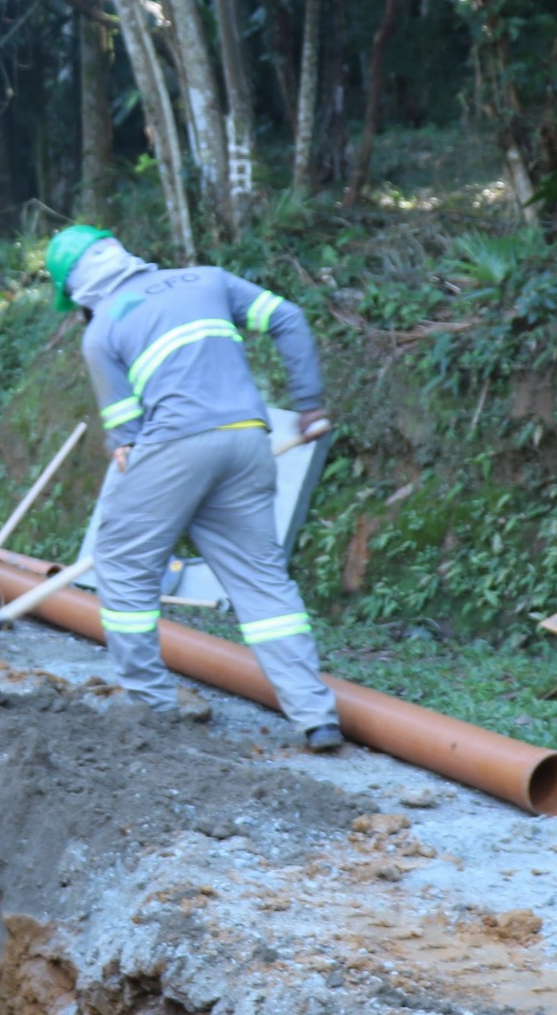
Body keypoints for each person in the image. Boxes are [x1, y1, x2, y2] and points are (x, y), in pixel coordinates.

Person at [47, 225, 344, 752]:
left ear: (79, 290)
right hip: (249, 439)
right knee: (261, 580)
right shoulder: (208, 279)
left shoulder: (99, 334)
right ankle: (315, 715)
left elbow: (128, 434)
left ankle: (151, 707)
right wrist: (310, 403)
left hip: (177, 444)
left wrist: (137, 470)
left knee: (119, 559)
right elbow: (287, 318)